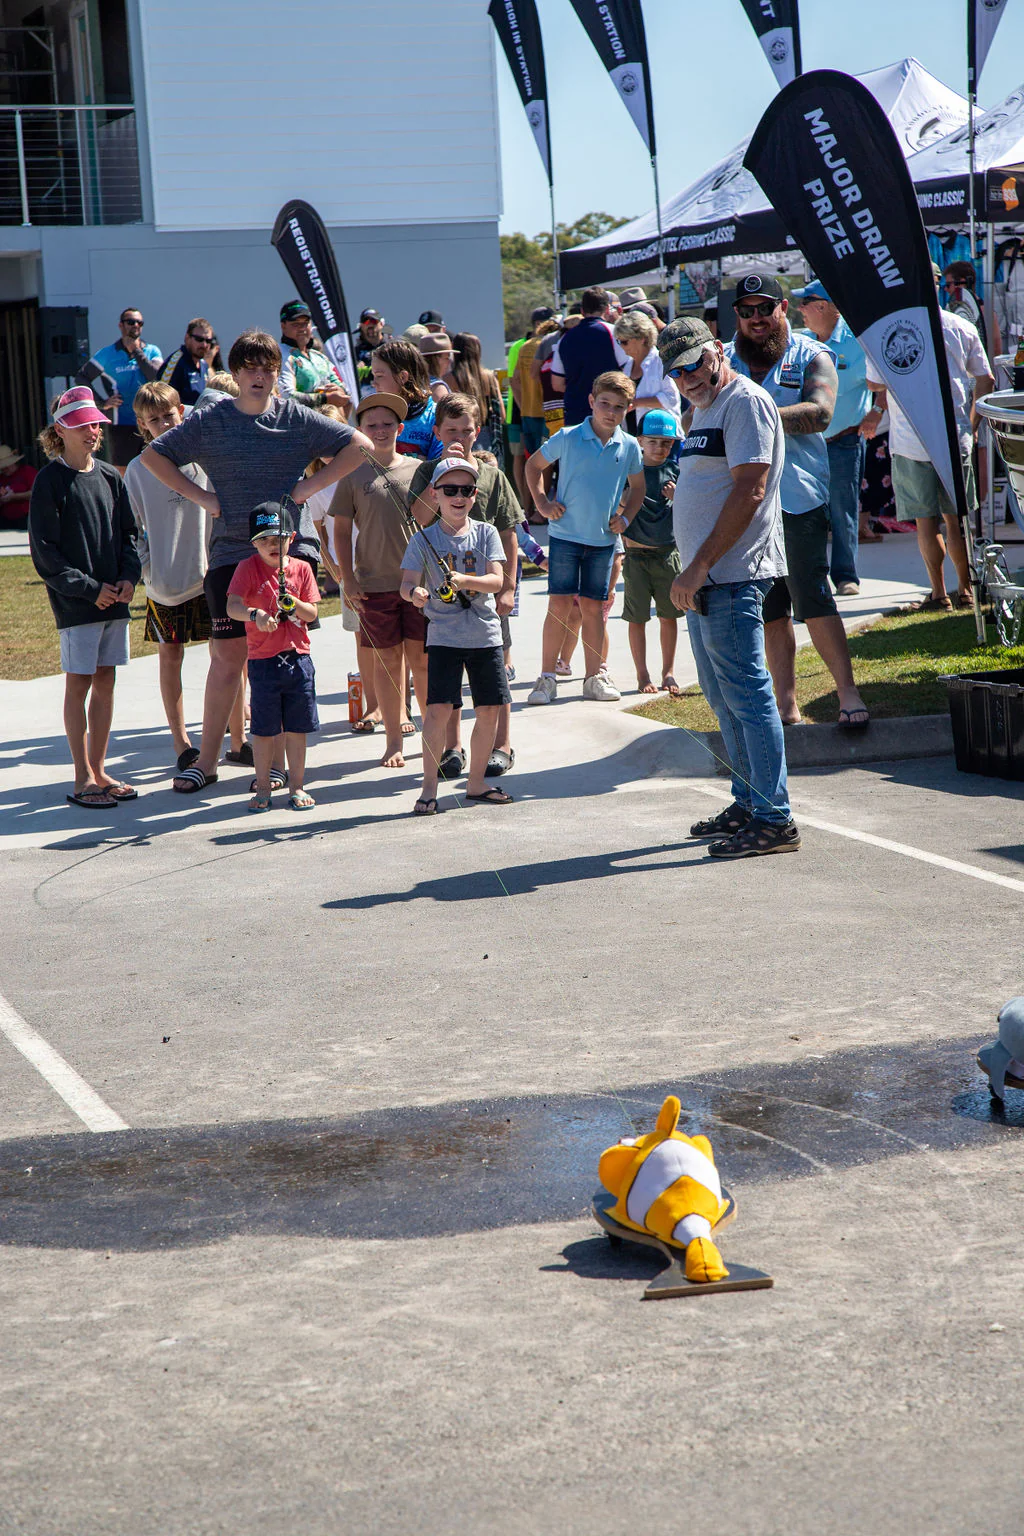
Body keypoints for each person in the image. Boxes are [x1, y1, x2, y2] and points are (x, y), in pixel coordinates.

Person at [140, 327, 372, 795]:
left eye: (268, 368)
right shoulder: (212, 420)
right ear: (236, 373)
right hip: (230, 549)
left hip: (289, 553)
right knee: (226, 658)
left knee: (280, 658)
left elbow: (361, 446)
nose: (259, 376)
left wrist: (305, 489)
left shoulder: (297, 416)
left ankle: (279, 764)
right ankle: (206, 763)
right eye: (250, 369)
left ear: (278, 373)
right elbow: (152, 456)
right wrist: (204, 497)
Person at [659, 317, 799, 858]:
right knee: (723, 699)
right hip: (709, 578)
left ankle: (774, 819)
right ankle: (749, 801)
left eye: (694, 364)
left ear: (717, 350)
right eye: (676, 372)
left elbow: (751, 489)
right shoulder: (705, 408)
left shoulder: (745, 402)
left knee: (748, 697)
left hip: (733, 574)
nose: (687, 378)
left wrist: (698, 566)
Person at [725, 275, 869, 730]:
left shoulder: (811, 355)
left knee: (814, 598)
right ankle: (786, 705)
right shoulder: (724, 359)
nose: (756, 319)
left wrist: (753, 413)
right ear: (737, 315)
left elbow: (820, 413)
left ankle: (847, 692)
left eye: (764, 308)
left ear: (783, 308)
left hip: (797, 499)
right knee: (770, 608)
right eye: (746, 311)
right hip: (745, 503)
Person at [28, 387, 142, 809]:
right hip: (77, 605)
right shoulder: (49, 481)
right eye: (82, 425)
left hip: (115, 601)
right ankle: (82, 777)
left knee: (106, 681)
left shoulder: (111, 476)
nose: (92, 431)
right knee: (79, 683)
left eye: (95, 423)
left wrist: (129, 577)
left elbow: (130, 536)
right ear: (60, 430)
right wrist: (91, 590)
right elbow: (46, 554)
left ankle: (100, 769)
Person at [408, 393, 523, 777]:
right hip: (444, 596)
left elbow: (508, 534)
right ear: (437, 432)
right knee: (449, 674)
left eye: (467, 430)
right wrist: (441, 472)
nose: (459, 436)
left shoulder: (492, 476)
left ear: (478, 431)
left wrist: (508, 588)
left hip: (487, 589)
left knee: (495, 671)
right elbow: (418, 517)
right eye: (451, 430)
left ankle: (501, 744)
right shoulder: (428, 472)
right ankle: (452, 747)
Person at [869, 280, 994, 612]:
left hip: (911, 441)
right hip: (955, 436)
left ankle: (939, 594)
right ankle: (965, 590)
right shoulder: (960, 325)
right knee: (957, 520)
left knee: (926, 521)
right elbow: (986, 379)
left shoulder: (888, 329)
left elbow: (874, 382)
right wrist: (972, 424)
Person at [400, 458, 512, 815]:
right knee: (438, 712)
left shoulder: (486, 533)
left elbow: (497, 580)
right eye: (450, 490)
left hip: (485, 635)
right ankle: (428, 789)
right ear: (434, 495)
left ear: (475, 495)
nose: (458, 496)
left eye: (466, 490)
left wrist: (464, 581)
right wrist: (414, 594)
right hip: (443, 637)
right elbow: (406, 583)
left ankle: (476, 784)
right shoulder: (422, 538)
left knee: (489, 710)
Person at [524, 370, 645, 704]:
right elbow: (533, 466)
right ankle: (547, 678)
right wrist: (542, 503)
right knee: (559, 605)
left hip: (603, 542)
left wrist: (626, 518)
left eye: (619, 407)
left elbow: (638, 487)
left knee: (594, 608)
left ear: (628, 409)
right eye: (604, 403)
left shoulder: (629, 446)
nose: (610, 412)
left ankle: (594, 678)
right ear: (591, 401)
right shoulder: (567, 436)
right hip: (565, 537)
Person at [331, 392, 428, 769]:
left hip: (419, 585)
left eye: (388, 423)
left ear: (400, 428)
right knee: (388, 663)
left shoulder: (420, 470)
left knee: (422, 663)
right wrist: (348, 578)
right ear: (361, 430)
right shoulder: (352, 475)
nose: (381, 430)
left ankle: (433, 737)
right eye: (372, 425)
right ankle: (392, 741)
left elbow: (435, 523)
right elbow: (341, 531)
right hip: (373, 585)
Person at [125, 381, 217, 772]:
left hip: (211, 576)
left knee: (227, 655)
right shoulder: (137, 470)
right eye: (154, 420)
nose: (164, 424)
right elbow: (130, 529)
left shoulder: (204, 458)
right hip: (165, 584)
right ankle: (181, 742)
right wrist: (148, 566)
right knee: (170, 657)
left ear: (182, 411)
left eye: (169, 415)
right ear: (142, 425)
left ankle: (233, 735)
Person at [225, 502, 321, 812]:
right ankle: (263, 787)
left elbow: (312, 612)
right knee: (264, 730)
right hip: (263, 663)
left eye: (278, 538)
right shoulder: (247, 568)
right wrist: (255, 615)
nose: (272, 545)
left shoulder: (302, 569)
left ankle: (298, 786)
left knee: (297, 729)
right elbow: (232, 606)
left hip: (298, 660)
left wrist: (294, 603)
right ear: (253, 543)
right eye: (264, 539)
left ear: (291, 537)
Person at [795, 279, 882, 595]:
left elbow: (886, 379)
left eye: (805, 303)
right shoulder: (801, 342)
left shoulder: (859, 343)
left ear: (822, 306)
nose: (800, 309)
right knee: (807, 510)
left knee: (842, 511)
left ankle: (846, 577)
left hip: (845, 441)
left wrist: (877, 411)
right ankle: (813, 577)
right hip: (806, 443)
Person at [617, 409, 682, 695]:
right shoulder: (629, 471)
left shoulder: (677, 472)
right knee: (637, 618)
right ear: (640, 441)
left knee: (669, 616)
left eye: (666, 443)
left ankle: (668, 672)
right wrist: (623, 503)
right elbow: (615, 509)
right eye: (653, 441)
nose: (659, 448)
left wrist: (679, 497)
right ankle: (642, 675)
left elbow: (692, 512)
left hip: (667, 554)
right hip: (635, 556)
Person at [78, 307, 163, 472]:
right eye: (131, 322)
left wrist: (136, 351)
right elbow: (81, 377)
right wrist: (101, 403)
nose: (135, 325)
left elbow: (156, 376)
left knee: (154, 469)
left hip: (150, 420)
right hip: (121, 422)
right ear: (121, 325)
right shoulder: (107, 354)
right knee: (122, 471)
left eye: (139, 323)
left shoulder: (152, 350)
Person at [549, 287, 622, 427]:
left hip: (575, 417)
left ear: (582, 311)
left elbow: (557, 384)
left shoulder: (565, 339)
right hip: (609, 416)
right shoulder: (615, 333)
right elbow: (629, 373)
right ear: (607, 309)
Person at [612, 309, 681, 431]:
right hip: (634, 435)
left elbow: (671, 399)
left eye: (624, 342)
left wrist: (637, 403)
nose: (621, 346)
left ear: (642, 338)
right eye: (618, 341)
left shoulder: (662, 361)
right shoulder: (627, 366)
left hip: (663, 434)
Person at [369, 339, 439, 458]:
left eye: (379, 376)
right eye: (373, 376)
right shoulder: (371, 415)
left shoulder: (434, 417)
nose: (374, 383)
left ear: (402, 377)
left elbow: (441, 464)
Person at [278, 300, 351, 411]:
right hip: (298, 420)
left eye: (305, 323)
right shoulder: (281, 354)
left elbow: (346, 389)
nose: (302, 328)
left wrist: (340, 390)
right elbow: (286, 397)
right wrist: (325, 398)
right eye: (295, 324)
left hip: (328, 419)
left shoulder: (320, 357)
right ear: (283, 326)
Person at [451, 332, 505, 467]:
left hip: (459, 438)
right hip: (487, 438)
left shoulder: (450, 379)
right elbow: (502, 416)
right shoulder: (489, 377)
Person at [512, 318, 557, 462]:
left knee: (532, 459)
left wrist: (522, 406)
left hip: (528, 412)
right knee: (547, 459)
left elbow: (515, 380)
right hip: (549, 411)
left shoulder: (525, 346)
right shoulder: (552, 345)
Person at [158, 318, 216, 405]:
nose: (204, 345)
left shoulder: (204, 364)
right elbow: (160, 400)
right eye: (199, 339)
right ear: (187, 338)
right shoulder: (175, 363)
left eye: (208, 341)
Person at [0, 444, 36, 525]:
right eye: (2, 467)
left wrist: (14, 497)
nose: (4, 469)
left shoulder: (27, 471)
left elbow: (38, 493)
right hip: (5, 521)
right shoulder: (1, 478)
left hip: (28, 519)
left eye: (6, 466)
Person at [419, 333, 457, 402]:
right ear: (436, 360)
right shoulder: (439, 388)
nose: (449, 362)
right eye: (446, 358)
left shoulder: (417, 382)